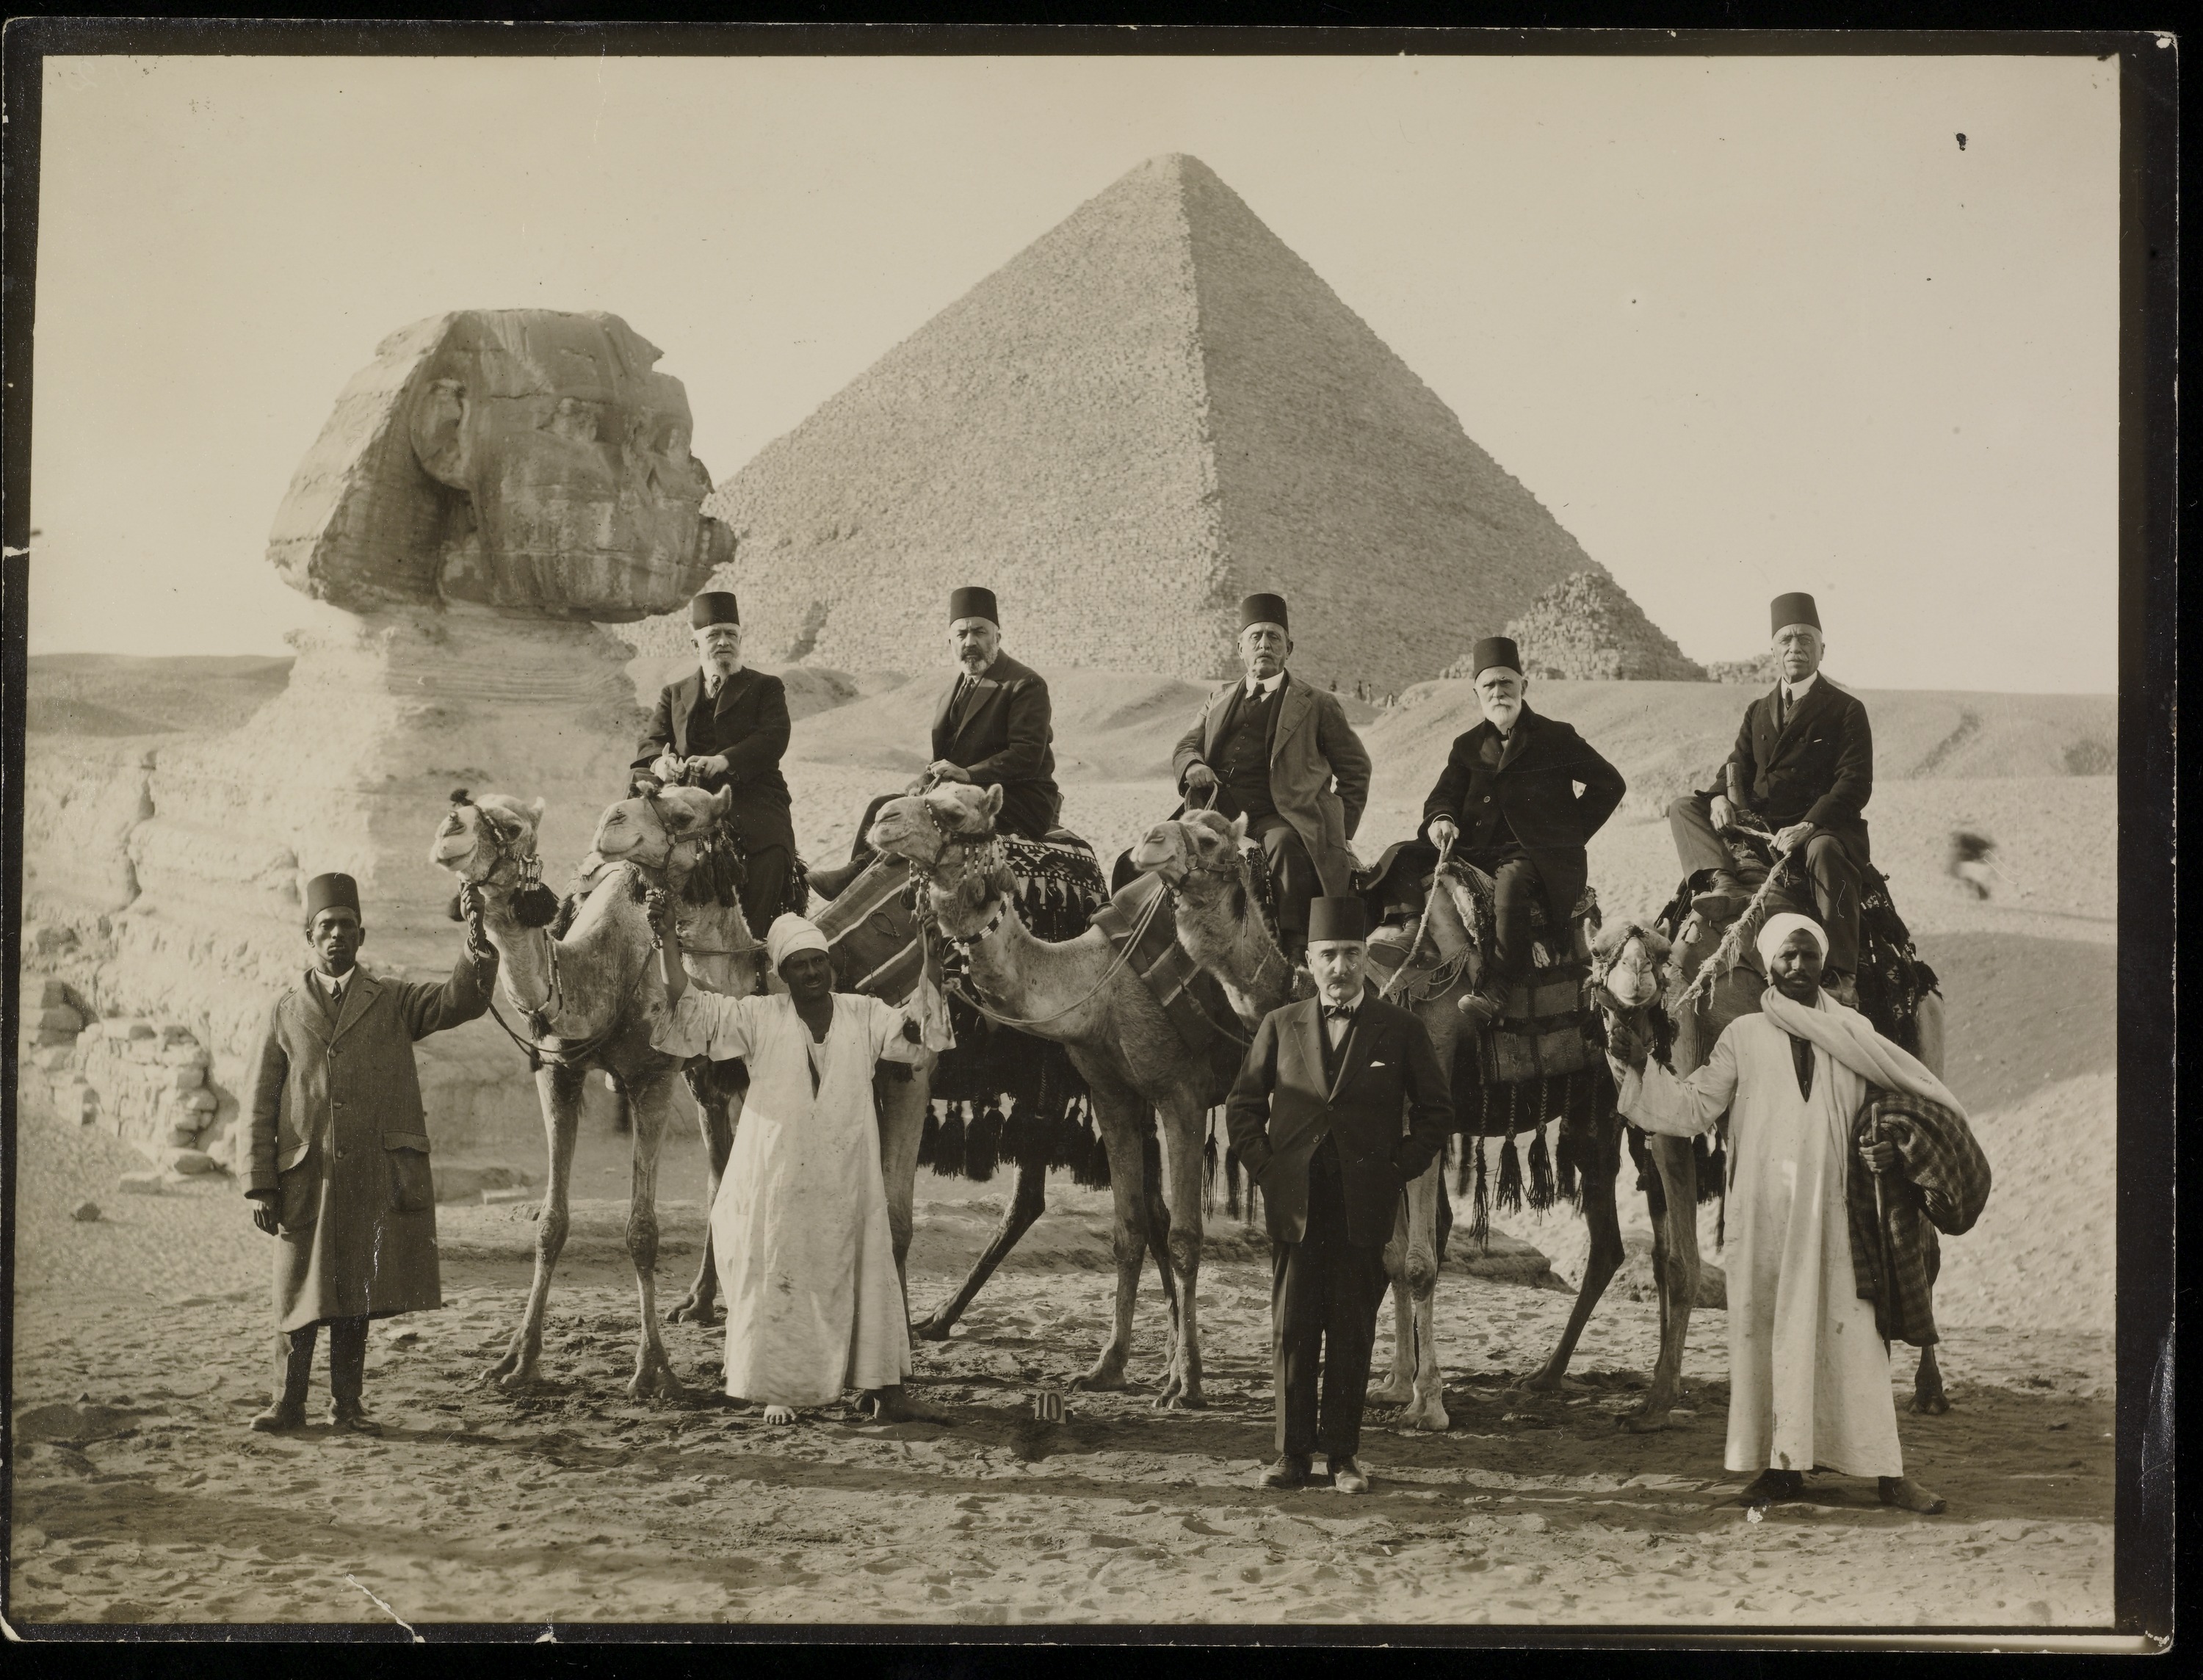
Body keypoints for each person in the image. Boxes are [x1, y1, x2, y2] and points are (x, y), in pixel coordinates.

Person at [1604, 913, 1950, 1515]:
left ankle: (1888, 1475)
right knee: (1770, 1340)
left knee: (1858, 1344)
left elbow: (1894, 1106)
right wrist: (1640, 1065)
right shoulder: (1744, 1036)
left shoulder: (1855, 1030)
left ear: (1823, 961)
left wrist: (1890, 1147)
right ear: (1767, 964)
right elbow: (1692, 1109)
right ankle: (1782, 1471)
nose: (1797, 966)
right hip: (1765, 1216)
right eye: (1787, 955)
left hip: (1842, 1214)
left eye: (1808, 954)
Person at [243, 872, 499, 1435]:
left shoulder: (393, 1001)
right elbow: (259, 1102)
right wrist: (260, 1184)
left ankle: (347, 1406)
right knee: (297, 1294)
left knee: (354, 1295)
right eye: (326, 927)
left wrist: (477, 941)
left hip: (368, 1178)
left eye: (347, 926)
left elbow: (459, 1000)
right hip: (305, 1179)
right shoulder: (283, 1011)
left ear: (362, 936)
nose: (337, 935)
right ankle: (287, 1404)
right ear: (309, 937)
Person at [653, 909, 930, 1424]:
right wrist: (667, 938)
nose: (811, 972)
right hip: (780, 1181)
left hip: (849, 1177)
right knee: (781, 1275)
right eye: (798, 965)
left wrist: (931, 962)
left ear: (831, 966)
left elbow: (915, 1033)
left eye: (818, 961)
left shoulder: (864, 1013)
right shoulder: (759, 1016)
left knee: (868, 1272)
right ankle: (779, 1389)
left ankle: (883, 1390)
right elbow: (688, 1005)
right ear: (782, 974)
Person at [1226, 896, 1452, 1495]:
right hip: (1296, 1204)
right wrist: (1268, 1170)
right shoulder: (1280, 1025)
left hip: (1363, 1205)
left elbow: (1435, 1112)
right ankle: (1291, 1455)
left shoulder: (1400, 1030)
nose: (1341, 967)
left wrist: (1394, 1170)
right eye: (1329, 955)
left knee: (1352, 1331)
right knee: (1293, 1329)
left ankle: (1344, 1457)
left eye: (1352, 954)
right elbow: (1242, 1107)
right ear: (1310, 961)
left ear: (1364, 960)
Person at [1668, 591, 1873, 1002]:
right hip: (1758, 829)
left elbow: (1854, 781)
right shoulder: (1758, 709)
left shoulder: (1847, 709)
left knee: (1826, 852)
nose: (1795, 648)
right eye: (1786, 640)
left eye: (1805, 640)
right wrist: (1718, 798)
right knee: (1682, 807)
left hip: (1819, 827)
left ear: (1822, 649)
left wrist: (1808, 825)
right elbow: (1736, 763)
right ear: (1773, 651)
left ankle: (1839, 974)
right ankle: (1723, 883)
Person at [1419, 637, 1627, 1024]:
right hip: (1477, 849)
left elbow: (1610, 785)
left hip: (1536, 853)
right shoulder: (1466, 745)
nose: (1498, 692)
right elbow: (1443, 795)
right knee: (1403, 855)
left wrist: (1567, 836)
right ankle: (1399, 939)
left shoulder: (1556, 736)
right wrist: (1441, 818)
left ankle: (1498, 987)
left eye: (1506, 682)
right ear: (1476, 693)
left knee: (1511, 886)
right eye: (1489, 685)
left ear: (1523, 686)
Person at [808, 585, 1064, 897]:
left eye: (980, 632)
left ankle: (860, 881)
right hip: (959, 793)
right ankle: (858, 883)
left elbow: (1027, 755)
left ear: (998, 637)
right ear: (950, 642)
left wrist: (968, 774)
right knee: (881, 805)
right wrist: (923, 779)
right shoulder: (952, 691)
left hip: (1014, 799)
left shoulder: (1024, 684)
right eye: (961, 634)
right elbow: (946, 758)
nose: (970, 642)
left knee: (924, 821)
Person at [1173, 593, 1374, 965]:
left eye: (1274, 637)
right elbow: (1187, 744)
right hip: (1214, 811)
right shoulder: (1218, 698)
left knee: (1284, 849)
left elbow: (1356, 769)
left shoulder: (1317, 703)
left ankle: (1293, 950)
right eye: (1256, 637)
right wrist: (1191, 766)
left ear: (1288, 648)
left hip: (1279, 814)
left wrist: (1337, 829)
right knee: (1151, 852)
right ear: (1241, 648)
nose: (1264, 644)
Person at [632, 588, 797, 938]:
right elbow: (651, 742)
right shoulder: (673, 693)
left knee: (770, 853)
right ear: (696, 643)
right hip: (685, 799)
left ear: (740, 640)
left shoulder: (765, 686)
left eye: (731, 634)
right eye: (713, 635)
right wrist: (662, 765)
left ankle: (755, 940)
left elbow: (774, 736)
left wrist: (725, 760)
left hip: (750, 794)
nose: (724, 642)